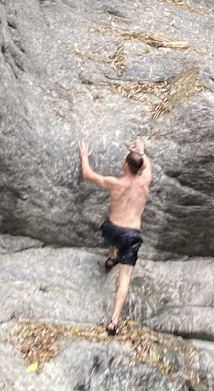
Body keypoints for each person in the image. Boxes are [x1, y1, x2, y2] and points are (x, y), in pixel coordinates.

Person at [77, 138, 153, 335]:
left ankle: (111, 256)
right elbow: (147, 167)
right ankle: (114, 321)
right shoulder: (145, 182)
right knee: (125, 278)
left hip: (112, 230)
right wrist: (142, 153)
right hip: (132, 236)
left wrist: (84, 156)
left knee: (109, 225)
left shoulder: (116, 183)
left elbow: (88, 174)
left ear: (125, 166)